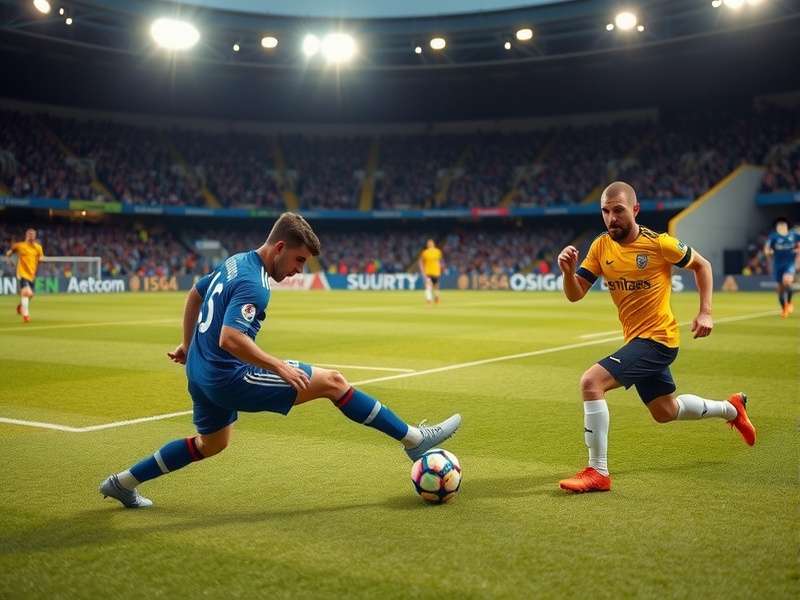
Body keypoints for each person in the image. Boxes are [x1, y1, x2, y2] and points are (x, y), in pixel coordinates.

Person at [100, 213, 461, 508]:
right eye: (299, 260)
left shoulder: (234, 261)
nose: (300, 270)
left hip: (199, 371)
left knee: (211, 444)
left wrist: (188, 343)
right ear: (280, 247)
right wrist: (277, 365)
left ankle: (122, 482)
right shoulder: (255, 284)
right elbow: (231, 338)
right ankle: (414, 439)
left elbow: (195, 293)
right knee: (334, 382)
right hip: (228, 376)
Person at [555, 181, 755, 493]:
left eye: (618, 210)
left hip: (659, 340)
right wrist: (568, 273)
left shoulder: (659, 243)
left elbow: (702, 266)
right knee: (665, 411)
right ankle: (732, 408)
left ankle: (598, 471)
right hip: (638, 340)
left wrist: (706, 311)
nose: (611, 218)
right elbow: (575, 294)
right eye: (605, 212)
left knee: (591, 383)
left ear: (635, 210)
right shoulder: (600, 247)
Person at [5, 228, 44, 323]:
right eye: (29, 234)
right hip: (22, 273)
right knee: (27, 293)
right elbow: (9, 253)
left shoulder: (38, 247)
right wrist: (9, 261)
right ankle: (26, 315)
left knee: (31, 295)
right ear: (26, 235)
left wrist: (41, 261)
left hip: (31, 274)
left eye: (33, 234)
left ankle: (21, 306)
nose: (31, 236)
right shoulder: (19, 246)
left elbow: (41, 259)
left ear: (35, 236)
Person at [763, 217, 799, 318]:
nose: (781, 226)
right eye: (779, 225)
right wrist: (768, 252)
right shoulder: (773, 237)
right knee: (780, 290)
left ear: (787, 226)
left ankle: (790, 302)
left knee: (787, 281)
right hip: (778, 266)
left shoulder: (794, 235)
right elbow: (766, 249)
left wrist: (798, 249)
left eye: (783, 225)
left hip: (789, 264)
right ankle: (784, 308)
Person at [419, 239, 444, 304]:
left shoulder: (425, 252)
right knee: (434, 286)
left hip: (431, 272)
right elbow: (441, 261)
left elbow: (421, 262)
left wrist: (422, 270)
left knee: (430, 286)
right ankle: (433, 298)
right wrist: (441, 268)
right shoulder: (437, 251)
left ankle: (431, 299)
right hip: (433, 272)